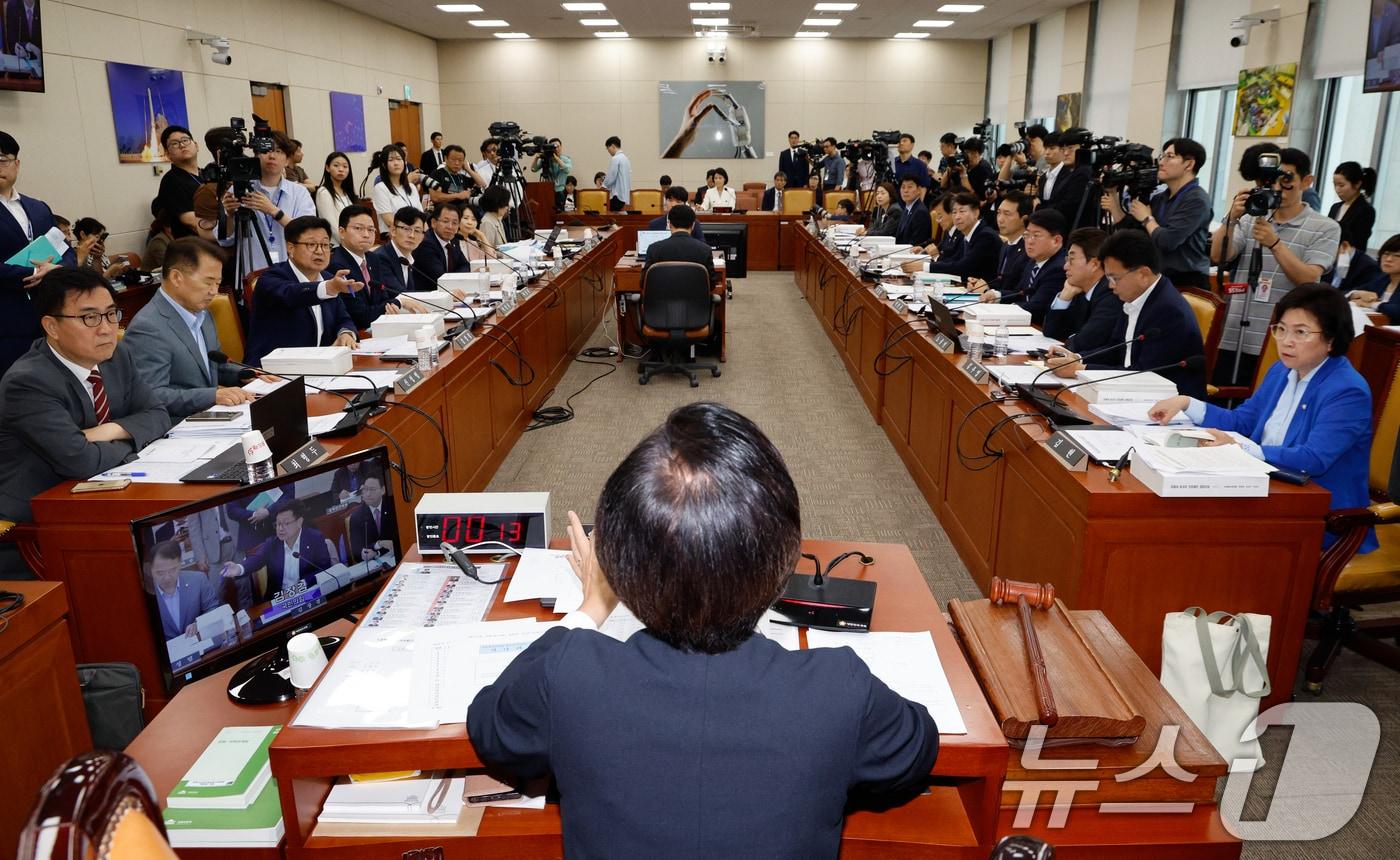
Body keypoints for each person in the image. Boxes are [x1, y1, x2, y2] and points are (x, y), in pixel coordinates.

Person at [467, 403, 938, 857]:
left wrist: (591, 605)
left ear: (619, 566)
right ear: (782, 561)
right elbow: (917, 749)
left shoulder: (569, 674)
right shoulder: (839, 690)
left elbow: (490, 725)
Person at [1148, 285, 1376, 553]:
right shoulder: (1281, 371)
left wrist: (1243, 449)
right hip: (1267, 488)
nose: (1286, 340)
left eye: (1300, 332)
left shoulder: (1346, 390)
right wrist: (1187, 403)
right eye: (1281, 329)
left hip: (1319, 516)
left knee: (1203, 531)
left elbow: (1313, 459)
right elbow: (1244, 422)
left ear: (1332, 340)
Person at [0, 268, 171, 542]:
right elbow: (82, 461)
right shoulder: (28, 382)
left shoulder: (117, 355)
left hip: (104, 498)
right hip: (38, 527)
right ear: (51, 327)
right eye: (89, 317)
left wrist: (110, 430)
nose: (106, 329)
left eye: (111, 313)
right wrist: (134, 439)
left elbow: (159, 415)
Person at [1209, 148, 1340, 385]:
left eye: (1287, 180)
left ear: (1306, 181)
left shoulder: (1326, 227)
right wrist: (1231, 218)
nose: (1278, 188)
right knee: (1222, 396)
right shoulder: (1252, 217)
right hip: (1234, 331)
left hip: (1278, 340)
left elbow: (1310, 279)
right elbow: (1218, 255)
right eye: (1272, 181)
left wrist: (1275, 243)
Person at [1048, 229, 1207, 397]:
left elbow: (1145, 373)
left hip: (1169, 405)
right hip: (1130, 392)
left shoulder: (1169, 311)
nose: (1110, 285)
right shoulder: (1135, 297)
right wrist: (1078, 358)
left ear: (1143, 274)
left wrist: (1081, 369)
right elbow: (1116, 348)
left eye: (1114, 278)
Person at [120, 237, 253, 420]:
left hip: (211, 418)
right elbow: (150, 396)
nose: (214, 291)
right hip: (175, 428)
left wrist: (248, 375)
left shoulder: (203, 314)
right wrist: (212, 395)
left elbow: (214, 367)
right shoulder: (148, 327)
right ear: (176, 277)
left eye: (217, 283)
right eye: (208, 282)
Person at [245, 216, 361, 366]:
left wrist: (345, 333)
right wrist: (329, 287)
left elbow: (343, 318)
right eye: (312, 244)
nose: (320, 251)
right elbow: (292, 295)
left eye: (325, 244)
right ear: (291, 248)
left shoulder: (327, 278)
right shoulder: (271, 278)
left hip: (321, 367)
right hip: (274, 371)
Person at [1103, 138, 1214, 288]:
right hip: (1159, 278)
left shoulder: (1196, 200)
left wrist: (1147, 219)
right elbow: (1136, 238)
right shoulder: (1160, 198)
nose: (1161, 162)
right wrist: (1114, 200)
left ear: (1189, 164)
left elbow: (1168, 241)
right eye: (1162, 156)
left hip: (1187, 282)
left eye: (1170, 157)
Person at [217, 130, 316, 272]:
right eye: (266, 151)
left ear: (287, 159)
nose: (272, 156)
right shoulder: (239, 188)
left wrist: (273, 211)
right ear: (256, 156)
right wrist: (230, 215)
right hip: (252, 272)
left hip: (292, 271)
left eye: (278, 151)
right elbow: (225, 240)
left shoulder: (299, 192)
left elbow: (308, 234)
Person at [220, 499, 334, 605]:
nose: (280, 528)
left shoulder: (314, 538)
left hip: (310, 595)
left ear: (299, 522)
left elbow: (324, 568)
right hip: (279, 602)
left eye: (286, 523)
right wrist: (239, 568)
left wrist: (302, 585)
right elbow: (256, 559)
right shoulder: (272, 543)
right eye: (278, 524)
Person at [979, 208, 1069, 325]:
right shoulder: (1033, 261)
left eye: (1036, 235)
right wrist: (996, 295)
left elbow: (1037, 307)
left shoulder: (1059, 268)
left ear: (1056, 240)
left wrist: (1002, 310)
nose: (1029, 241)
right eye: (1026, 235)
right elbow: (1021, 293)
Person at [1042, 228, 1123, 353]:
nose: (1065, 267)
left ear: (1094, 264)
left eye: (1071, 260)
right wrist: (1064, 297)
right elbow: (1051, 331)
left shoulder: (1111, 294)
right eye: (1066, 260)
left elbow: (1083, 343)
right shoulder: (1081, 290)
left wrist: (1072, 338)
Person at [147, 540, 222, 640]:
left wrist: (199, 624)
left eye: (173, 570)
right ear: (150, 569)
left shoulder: (198, 579)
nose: (167, 577)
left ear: (180, 564)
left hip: (200, 642)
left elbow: (213, 608)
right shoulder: (145, 594)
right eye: (160, 573)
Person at [329, 205, 389, 328]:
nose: (366, 235)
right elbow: (359, 316)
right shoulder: (336, 265)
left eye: (371, 229)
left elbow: (383, 298)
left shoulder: (373, 258)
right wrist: (396, 303)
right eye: (358, 228)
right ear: (342, 232)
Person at [366, 207, 433, 313]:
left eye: (417, 231)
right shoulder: (381, 257)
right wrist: (438, 296)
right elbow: (400, 294)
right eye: (406, 229)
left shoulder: (408, 258)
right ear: (393, 230)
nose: (412, 235)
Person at [923, 193, 999, 283]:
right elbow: (954, 260)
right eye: (954, 212)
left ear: (976, 213)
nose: (957, 217)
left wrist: (925, 266)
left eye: (962, 211)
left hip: (984, 292)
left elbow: (963, 267)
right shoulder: (968, 234)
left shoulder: (985, 236)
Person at [642, 204, 716, 286]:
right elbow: (711, 284)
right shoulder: (705, 250)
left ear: (669, 224)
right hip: (694, 298)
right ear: (693, 225)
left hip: (662, 298)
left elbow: (644, 283)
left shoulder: (653, 249)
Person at [155, 125, 206, 239]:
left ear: (196, 145)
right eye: (175, 144)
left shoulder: (207, 174)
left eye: (185, 140)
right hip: (195, 246)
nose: (182, 145)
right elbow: (189, 220)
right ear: (168, 154)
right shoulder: (171, 180)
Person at [1041, 129, 1096, 229]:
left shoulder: (1083, 173)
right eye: (1063, 149)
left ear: (1083, 148)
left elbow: (1069, 207)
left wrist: (1039, 208)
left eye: (1070, 148)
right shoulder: (1076, 171)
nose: (1066, 153)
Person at [370, 144, 424, 233]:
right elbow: (389, 221)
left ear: (404, 162)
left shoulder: (412, 187)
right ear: (384, 165)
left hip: (416, 236)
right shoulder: (381, 188)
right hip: (394, 236)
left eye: (399, 159)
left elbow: (421, 217)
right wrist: (412, 232)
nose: (396, 163)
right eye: (391, 160)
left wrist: (426, 235)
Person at [1346, 234, 1400, 322]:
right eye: (1386, 254)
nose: (1389, 259)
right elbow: (1346, 293)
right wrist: (1356, 294)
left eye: (1397, 256)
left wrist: (1374, 304)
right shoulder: (1382, 279)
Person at [1328, 161, 1377, 255]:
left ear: (1357, 184)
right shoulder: (1335, 207)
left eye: (1341, 185)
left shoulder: (1366, 210)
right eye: (1335, 185)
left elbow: (1358, 241)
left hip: (1348, 259)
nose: (1337, 189)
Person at [415, 204, 469, 290]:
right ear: (433, 223)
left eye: (454, 223)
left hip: (449, 292)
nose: (450, 227)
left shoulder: (454, 240)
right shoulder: (425, 243)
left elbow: (465, 265)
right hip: (429, 296)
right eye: (445, 221)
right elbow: (440, 278)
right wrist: (460, 277)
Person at [348, 473, 396, 562]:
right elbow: (356, 552)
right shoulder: (356, 517)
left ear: (383, 490)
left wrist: (377, 552)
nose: (368, 494)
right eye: (365, 489)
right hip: (373, 565)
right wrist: (377, 545)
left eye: (372, 489)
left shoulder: (393, 506)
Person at [314, 152, 357, 244]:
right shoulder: (324, 192)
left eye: (345, 166)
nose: (341, 169)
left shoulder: (348, 192)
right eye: (336, 165)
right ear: (327, 168)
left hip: (353, 242)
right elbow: (331, 225)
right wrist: (349, 244)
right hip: (337, 245)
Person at [426, 145, 476, 209]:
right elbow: (435, 197)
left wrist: (468, 169)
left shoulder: (461, 177)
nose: (457, 163)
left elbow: (482, 184)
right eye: (453, 159)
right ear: (446, 158)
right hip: (444, 213)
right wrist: (458, 195)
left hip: (462, 212)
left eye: (460, 160)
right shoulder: (437, 174)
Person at [947, 137, 994, 203]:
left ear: (980, 154)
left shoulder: (984, 169)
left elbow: (975, 197)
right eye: (967, 152)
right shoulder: (964, 164)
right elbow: (945, 186)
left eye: (973, 153)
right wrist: (950, 167)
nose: (969, 156)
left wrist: (963, 175)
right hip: (957, 201)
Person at [894, 176, 931, 247]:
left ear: (919, 190)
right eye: (903, 187)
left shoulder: (920, 212)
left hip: (912, 255)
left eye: (910, 187)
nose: (905, 190)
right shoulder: (907, 209)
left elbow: (917, 243)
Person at [601, 136, 633, 212]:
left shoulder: (616, 158)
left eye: (608, 148)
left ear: (613, 146)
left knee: (606, 212)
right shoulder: (626, 159)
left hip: (617, 195)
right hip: (626, 195)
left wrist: (603, 186)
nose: (608, 151)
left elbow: (611, 176)